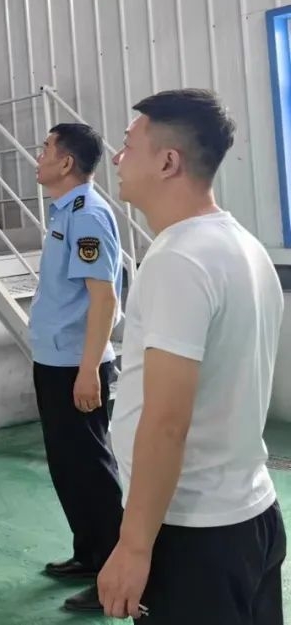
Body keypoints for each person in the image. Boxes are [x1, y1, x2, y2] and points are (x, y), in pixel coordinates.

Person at [99, 89, 286, 623]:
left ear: (168, 162)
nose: (118, 157)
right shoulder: (244, 247)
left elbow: (166, 422)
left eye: (129, 144)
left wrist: (134, 546)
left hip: (194, 534)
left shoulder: (179, 259)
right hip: (251, 514)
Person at [29, 123, 125, 613]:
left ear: (66, 162)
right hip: (54, 360)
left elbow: (103, 298)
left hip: (76, 365)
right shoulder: (64, 211)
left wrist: (89, 370)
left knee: (91, 469)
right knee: (67, 465)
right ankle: (89, 554)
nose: (39, 156)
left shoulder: (87, 215)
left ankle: (114, 574)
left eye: (46, 148)